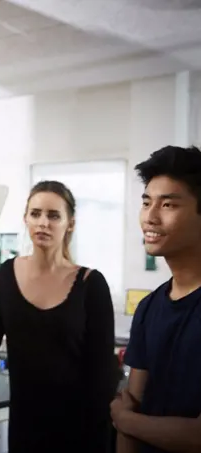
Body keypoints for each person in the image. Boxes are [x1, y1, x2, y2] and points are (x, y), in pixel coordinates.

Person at [0, 180, 116, 452]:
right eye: (35, 214)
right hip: (25, 426)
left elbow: (102, 377)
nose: (43, 222)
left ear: (70, 223)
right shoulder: (7, 274)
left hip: (80, 430)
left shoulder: (90, 284)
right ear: (26, 219)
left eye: (53, 215)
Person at [112, 146, 201, 453]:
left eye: (168, 205)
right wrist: (127, 422)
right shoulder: (150, 308)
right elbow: (132, 401)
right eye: (146, 202)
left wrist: (125, 421)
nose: (150, 217)